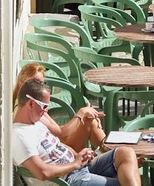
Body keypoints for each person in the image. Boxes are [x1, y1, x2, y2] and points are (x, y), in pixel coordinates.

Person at [12, 74, 142, 186]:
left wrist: (78, 156)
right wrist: (76, 164)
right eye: (44, 106)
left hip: (78, 168)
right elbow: (42, 173)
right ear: (31, 104)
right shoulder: (19, 135)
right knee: (125, 182)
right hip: (68, 180)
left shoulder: (35, 123)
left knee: (126, 153)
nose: (46, 110)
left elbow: (58, 144)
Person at [11, 64, 106, 152]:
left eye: (41, 83)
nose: (38, 87)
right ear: (21, 83)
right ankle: (110, 153)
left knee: (90, 120)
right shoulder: (26, 109)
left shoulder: (35, 104)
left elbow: (59, 132)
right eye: (33, 83)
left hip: (56, 145)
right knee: (89, 122)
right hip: (55, 151)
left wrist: (85, 115)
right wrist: (81, 113)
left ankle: (110, 152)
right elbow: (61, 134)